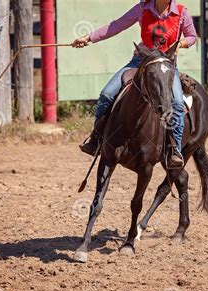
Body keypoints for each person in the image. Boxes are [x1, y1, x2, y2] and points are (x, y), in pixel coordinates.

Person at [72, 0, 197, 167]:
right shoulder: (142, 8)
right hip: (139, 62)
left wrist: (181, 43)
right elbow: (116, 26)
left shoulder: (181, 13)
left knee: (176, 102)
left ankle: (175, 150)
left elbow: (192, 36)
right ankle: (96, 139)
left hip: (166, 65)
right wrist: (88, 38)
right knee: (107, 94)